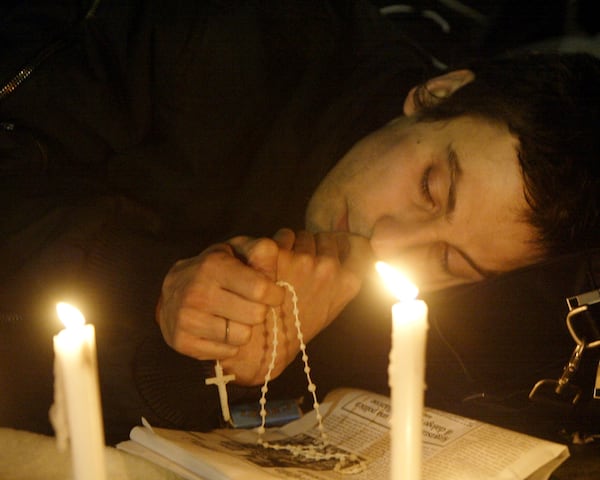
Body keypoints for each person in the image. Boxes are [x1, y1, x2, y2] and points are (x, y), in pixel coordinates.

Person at [0, 0, 598, 450]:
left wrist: (217, 357)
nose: (391, 245)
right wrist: (151, 278)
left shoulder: (462, 323)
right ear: (439, 92)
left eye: (452, 261)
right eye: (430, 188)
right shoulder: (227, 31)